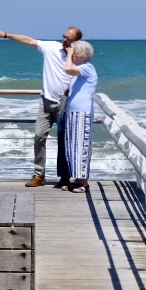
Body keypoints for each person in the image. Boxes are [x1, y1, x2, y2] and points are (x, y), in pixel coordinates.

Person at [0, 26, 82, 188]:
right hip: (46, 101)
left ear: (76, 41)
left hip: (65, 103)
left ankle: (65, 176)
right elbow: (29, 40)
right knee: (39, 136)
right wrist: (6, 35)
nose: (64, 40)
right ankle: (39, 174)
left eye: (68, 39)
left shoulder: (78, 57)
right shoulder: (52, 47)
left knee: (64, 141)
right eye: (64, 36)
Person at [62, 40, 98, 193]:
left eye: (74, 53)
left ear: (82, 55)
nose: (72, 56)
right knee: (73, 147)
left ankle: (83, 182)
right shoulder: (80, 71)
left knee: (81, 146)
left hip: (82, 113)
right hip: (74, 113)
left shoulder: (87, 67)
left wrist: (69, 54)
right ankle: (77, 179)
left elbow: (68, 69)